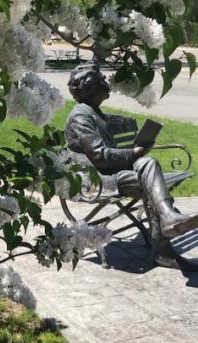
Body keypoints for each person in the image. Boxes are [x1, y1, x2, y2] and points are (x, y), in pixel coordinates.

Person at [65, 64, 198, 271]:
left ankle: (167, 217)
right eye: (102, 79)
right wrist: (135, 152)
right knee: (150, 180)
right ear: (91, 87)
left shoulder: (93, 112)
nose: (106, 81)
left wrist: (139, 149)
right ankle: (164, 241)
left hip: (111, 171)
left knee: (149, 164)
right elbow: (100, 156)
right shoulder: (81, 117)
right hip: (97, 179)